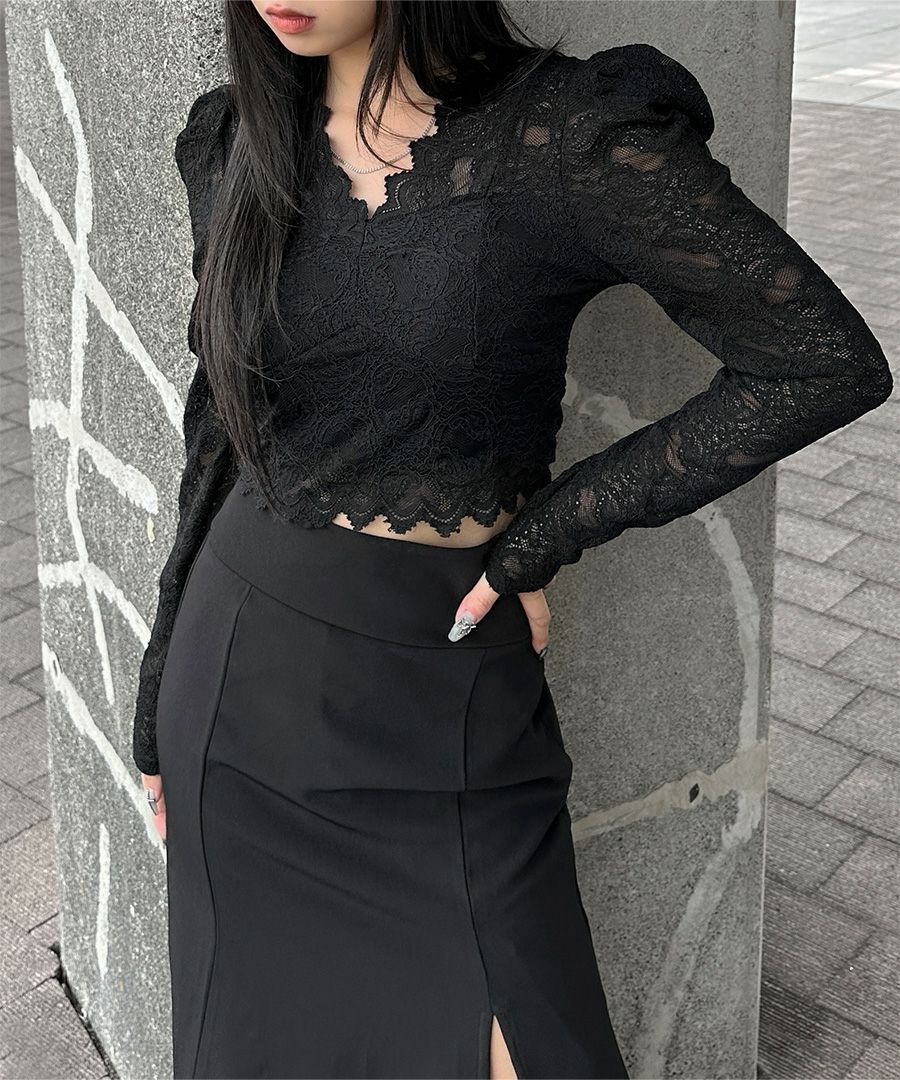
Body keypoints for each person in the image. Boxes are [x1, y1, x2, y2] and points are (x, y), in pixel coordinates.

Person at [132, 2, 893, 1078]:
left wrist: (547, 534)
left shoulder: (563, 137)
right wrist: (157, 690)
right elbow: (217, 427)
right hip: (238, 686)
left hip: (446, 691)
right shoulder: (235, 142)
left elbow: (820, 361)